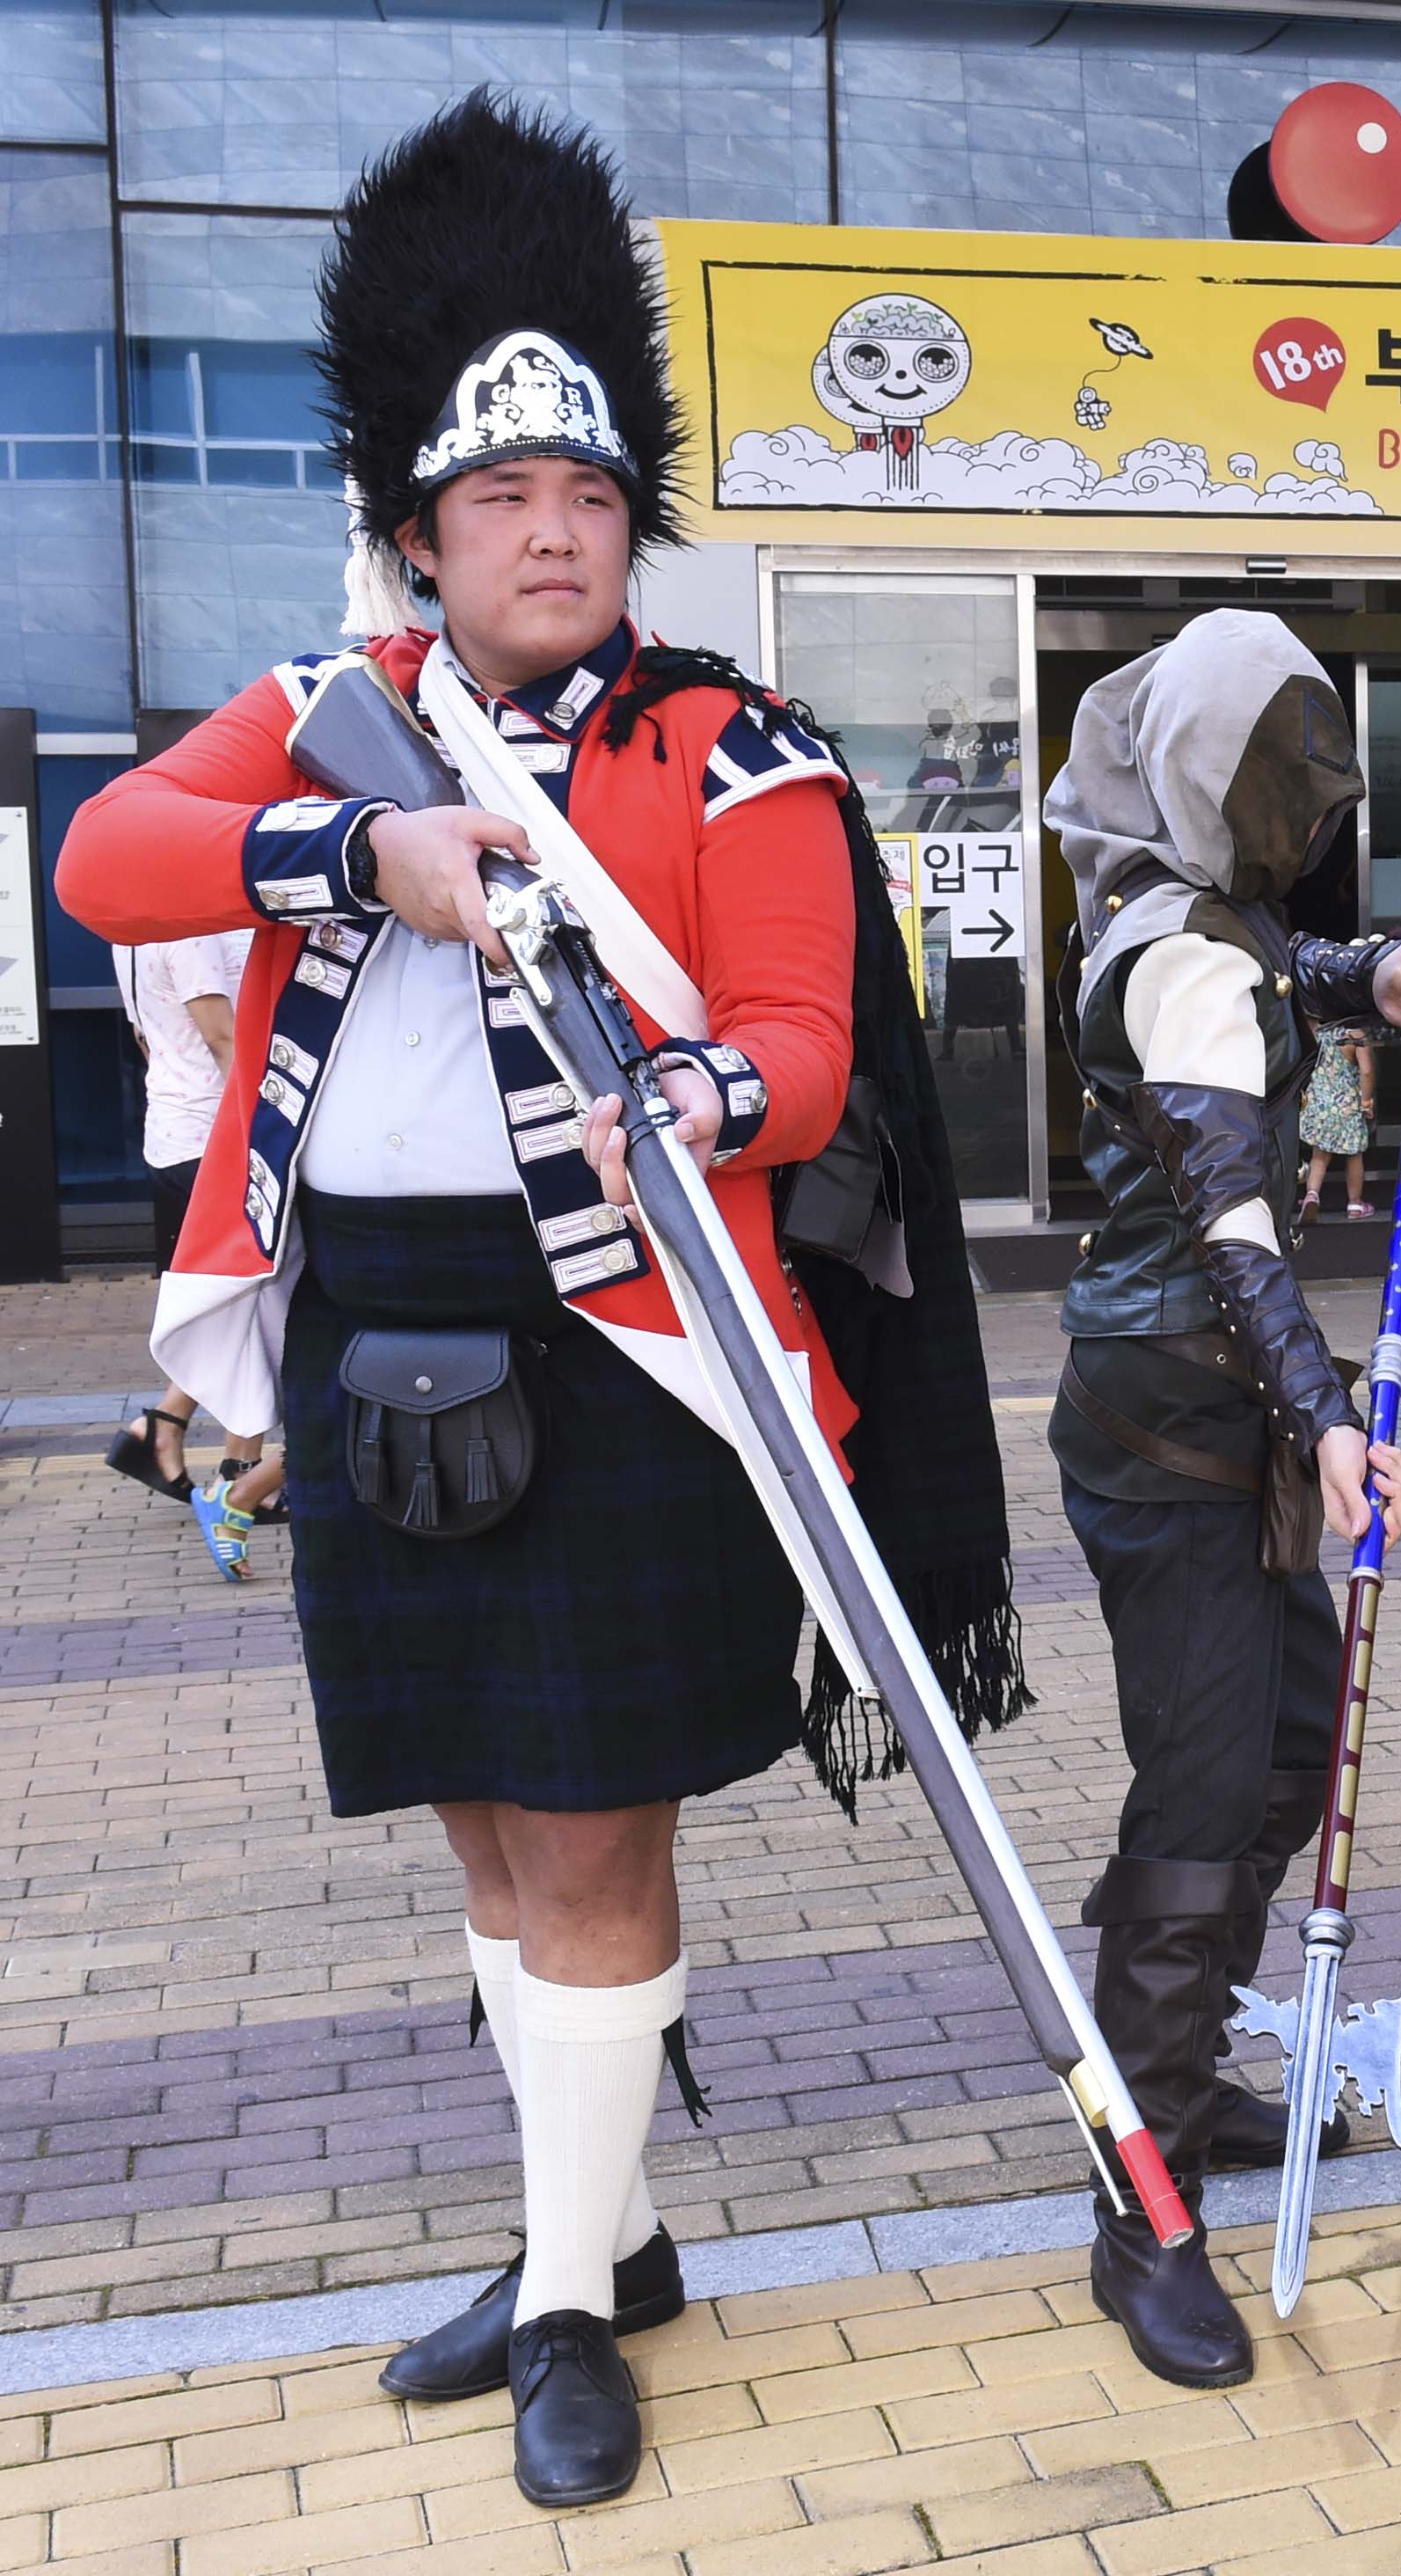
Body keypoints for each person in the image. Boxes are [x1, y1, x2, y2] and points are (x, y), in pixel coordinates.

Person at [56, 94, 1020, 2508]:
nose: (556, 533)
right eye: (502, 503)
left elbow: (806, 1050)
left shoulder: (730, 740)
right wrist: (356, 846)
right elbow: (104, 856)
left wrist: (700, 1092)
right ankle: (601, 2225)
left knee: (585, 1839)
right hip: (368, 1303)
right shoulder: (333, 717)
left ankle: (573, 2302)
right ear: (414, 532)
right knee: (483, 1829)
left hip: (616, 1327)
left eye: (589, 498)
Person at [1044, 609, 1401, 2391]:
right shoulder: (1178, 953)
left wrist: (1363, 971)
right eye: (1273, 767)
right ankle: (1139, 2192)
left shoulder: (1186, 920)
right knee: (1213, 1790)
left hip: (1216, 1426)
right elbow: (1228, 1208)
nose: (1298, 802)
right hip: (1180, 1436)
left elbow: (1259, 978)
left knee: (1286, 1750)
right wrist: (1333, 1414)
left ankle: (1185, 2056)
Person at [105, 933, 255, 1507]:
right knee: (250, 1303)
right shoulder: (190, 933)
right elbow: (222, 1037)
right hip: (214, 1143)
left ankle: (164, 1426)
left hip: (173, 1132)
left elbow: (149, 1039)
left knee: (228, 1303)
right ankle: (244, 1477)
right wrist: (257, 1135)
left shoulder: (132, 934)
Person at [1296, 1016, 1373, 1221]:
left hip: (1320, 1103)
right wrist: (1366, 1101)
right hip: (1348, 1103)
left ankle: (1312, 1194)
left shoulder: (1317, 1031)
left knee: (1319, 1155)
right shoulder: (1356, 1033)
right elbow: (1366, 1071)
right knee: (1354, 1155)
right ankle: (1355, 1204)